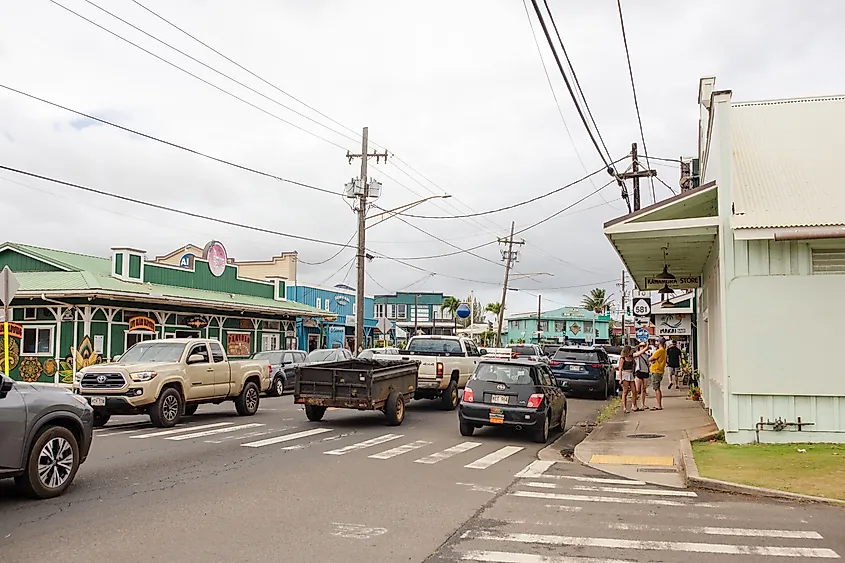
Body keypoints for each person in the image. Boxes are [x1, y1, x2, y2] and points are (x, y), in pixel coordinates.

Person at [617, 346, 638, 413]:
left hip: (631, 374)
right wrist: (620, 378)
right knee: (625, 391)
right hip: (625, 374)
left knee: (634, 391)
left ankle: (634, 405)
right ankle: (624, 407)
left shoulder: (631, 358)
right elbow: (620, 368)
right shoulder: (623, 358)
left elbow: (634, 364)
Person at [649, 338, 668, 410]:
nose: (656, 343)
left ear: (659, 342)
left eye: (657, 341)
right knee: (657, 388)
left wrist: (652, 360)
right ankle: (658, 404)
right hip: (660, 370)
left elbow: (650, 358)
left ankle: (658, 405)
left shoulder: (659, 351)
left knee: (656, 388)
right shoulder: (664, 351)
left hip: (656, 370)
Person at [633, 342, 650, 410]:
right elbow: (637, 354)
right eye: (641, 346)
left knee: (644, 389)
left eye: (644, 346)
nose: (643, 347)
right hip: (639, 372)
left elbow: (648, 363)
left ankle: (643, 404)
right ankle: (634, 404)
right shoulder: (637, 354)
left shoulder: (646, 355)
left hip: (645, 372)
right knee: (637, 390)